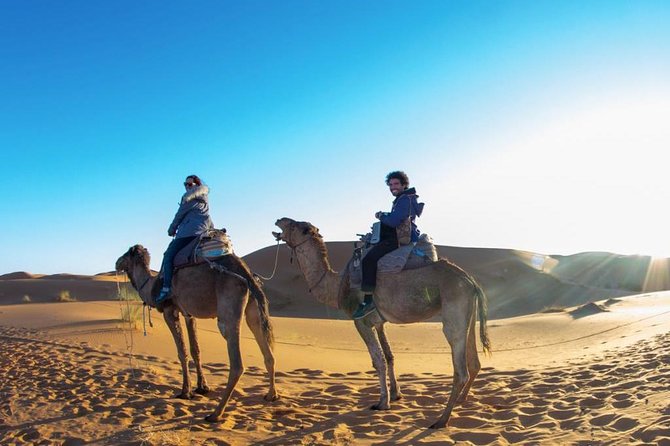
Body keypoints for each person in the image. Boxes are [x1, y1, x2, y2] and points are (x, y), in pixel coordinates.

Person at [352, 171, 424, 319]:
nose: (393, 187)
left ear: (404, 185)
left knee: (368, 260)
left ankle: (368, 301)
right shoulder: (404, 198)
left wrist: (381, 216)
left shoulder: (404, 199)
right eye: (390, 185)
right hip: (401, 235)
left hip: (398, 239)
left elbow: (394, 221)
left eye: (396, 184)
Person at [156, 175, 214, 303]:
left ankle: (166, 288)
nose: (187, 187)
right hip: (203, 233)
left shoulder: (189, 199)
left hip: (188, 234)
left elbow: (179, 215)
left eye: (190, 185)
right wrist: (212, 229)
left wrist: (171, 229)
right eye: (185, 184)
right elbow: (208, 218)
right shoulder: (205, 201)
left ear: (196, 186)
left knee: (168, 256)